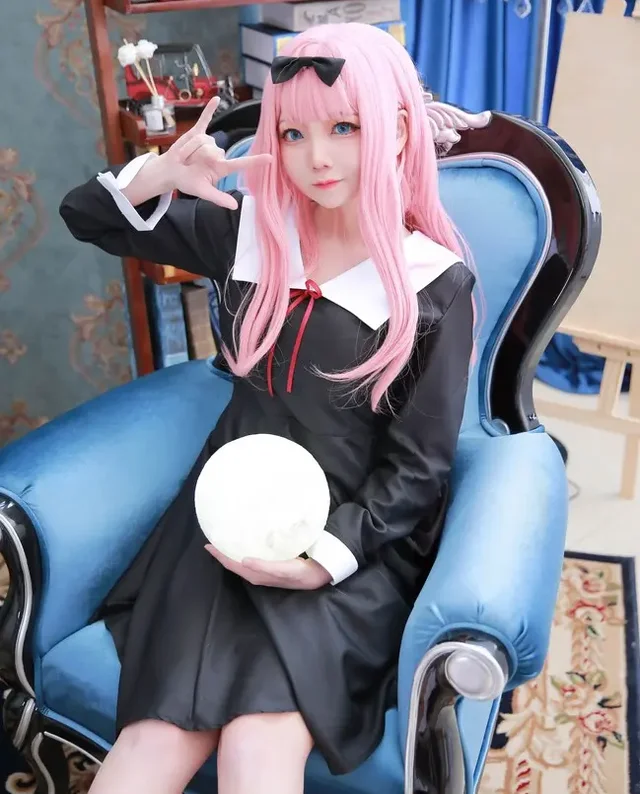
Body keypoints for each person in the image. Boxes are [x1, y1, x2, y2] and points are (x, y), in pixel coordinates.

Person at [59, 21, 476, 794]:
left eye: (345, 128)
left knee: (259, 747)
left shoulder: (435, 283)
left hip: (349, 544)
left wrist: (322, 562)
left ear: (397, 131)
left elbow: (420, 469)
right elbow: (87, 216)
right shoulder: (250, 232)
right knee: (152, 741)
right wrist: (160, 174)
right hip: (225, 523)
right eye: (294, 133)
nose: (318, 157)